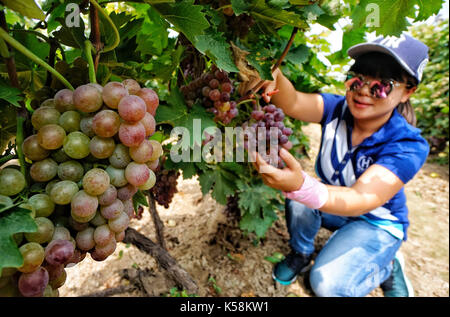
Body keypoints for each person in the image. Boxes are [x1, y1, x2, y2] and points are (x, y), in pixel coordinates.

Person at [242, 34, 430, 297]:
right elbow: (293, 101)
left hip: (376, 222)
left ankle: (385, 266)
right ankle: (301, 252)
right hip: (338, 208)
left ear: (407, 91)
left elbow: (362, 197)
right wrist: (274, 76)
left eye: (382, 85)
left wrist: (302, 186)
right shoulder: (335, 109)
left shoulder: (408, 144)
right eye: (357, 78)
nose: (364, 90)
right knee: (299, 197)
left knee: (327, 286)